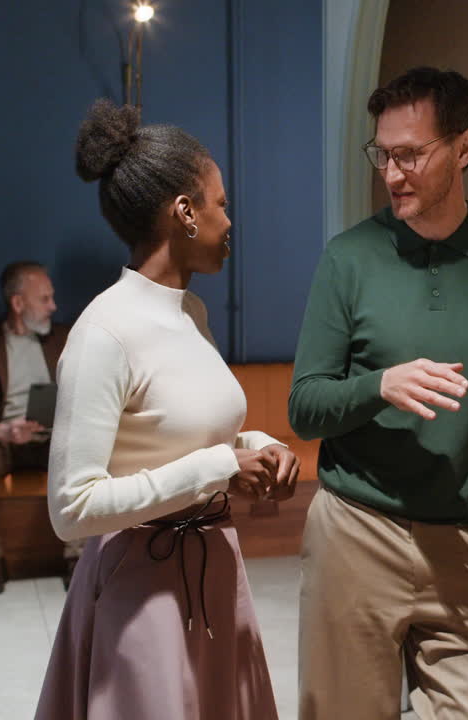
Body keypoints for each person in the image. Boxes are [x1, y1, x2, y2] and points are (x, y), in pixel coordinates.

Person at [34, 99, 299, 720]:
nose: (229, 219)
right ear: (185, 211)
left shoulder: (191, 312)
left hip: (215, 568)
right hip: (142, 592)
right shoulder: (105, 331)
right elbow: (71, 511)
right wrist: (218, 467)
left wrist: (257, 447)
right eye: (220, 202)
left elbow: (193, 429)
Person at [290, 66, 468, 719]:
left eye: (410, 155)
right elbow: (306, 405)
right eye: (383, 155)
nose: (392, 172)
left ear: (463, 147)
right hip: (356, 534)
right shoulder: (349, 259)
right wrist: (380, 386)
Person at [0, 261, 84, 595]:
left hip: (54, 442)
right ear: (17, 303)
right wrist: (2, 429)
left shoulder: (66, 339)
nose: (53, 307)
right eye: (45, 299)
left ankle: (78, 559)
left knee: (86, 446)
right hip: (5, 444)